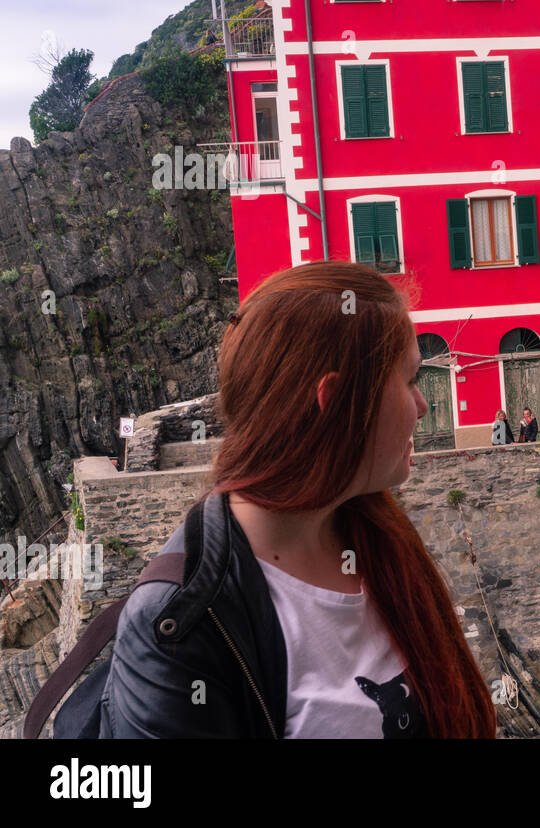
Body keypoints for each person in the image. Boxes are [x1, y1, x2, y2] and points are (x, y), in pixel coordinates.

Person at [99, 262, 496, 738]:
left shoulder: (373, 531)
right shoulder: (181, 628)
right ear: (335, 399)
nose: (423, 405)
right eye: (410, 380)